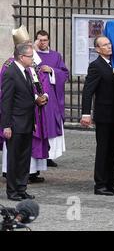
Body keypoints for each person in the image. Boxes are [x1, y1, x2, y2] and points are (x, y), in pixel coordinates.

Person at [1, 26, 50, 183]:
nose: (32, 46)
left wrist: (41, 96)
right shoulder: (9, 66)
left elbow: (35, 82)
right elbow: (8, 95)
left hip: (30, 114)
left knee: (25, 150)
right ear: (20, 51)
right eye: (28, 43)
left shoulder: (30, 64)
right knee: (16, 151)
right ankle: (12, 178)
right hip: (16, 116)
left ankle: (27, 175)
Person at [80, 36, 114, 196]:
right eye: (105, 45)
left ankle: (111, 182)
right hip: (104, 115)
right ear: (97, 49)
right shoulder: (96, 66)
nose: (109, 47)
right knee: (103, 149)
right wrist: (86, 113)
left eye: (109, 43)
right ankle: (100, 184)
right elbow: (88, 91)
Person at [33, 30, 69, 168]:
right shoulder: (32, 55)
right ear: (36, 40)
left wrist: (52, 71)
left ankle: (49, 156)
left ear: (49, 40)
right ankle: (40, 154)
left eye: (45, 40)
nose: (43, 43)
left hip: (52, 97)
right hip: (36, 96)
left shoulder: (56, 56)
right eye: (40, 40)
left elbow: (65, 74)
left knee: (51, 125)